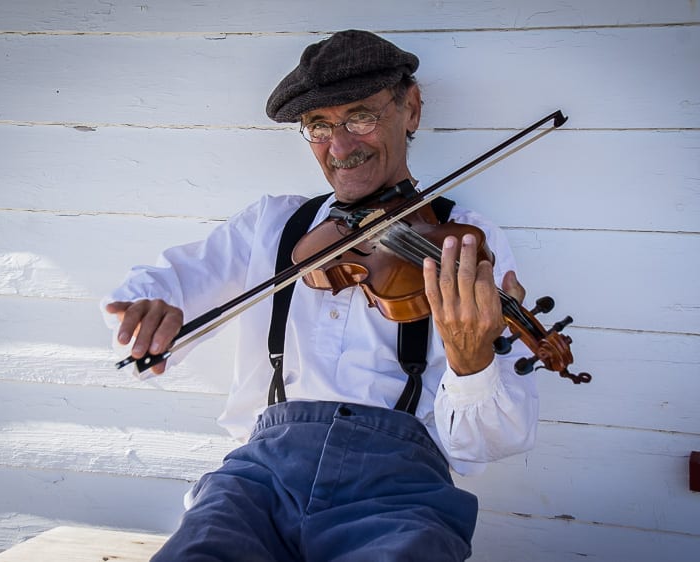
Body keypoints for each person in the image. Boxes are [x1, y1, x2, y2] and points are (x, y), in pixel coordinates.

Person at [102, 29, 539, 562]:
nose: (340, 146)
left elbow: (487, 442)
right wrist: (151, 311)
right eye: (318, 125)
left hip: (398, 497)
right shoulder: (274, 224)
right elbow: (163, 283)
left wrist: (473, 363)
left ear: (412, 110)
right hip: (258, 482)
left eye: (361, 116)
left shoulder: (465, 242)